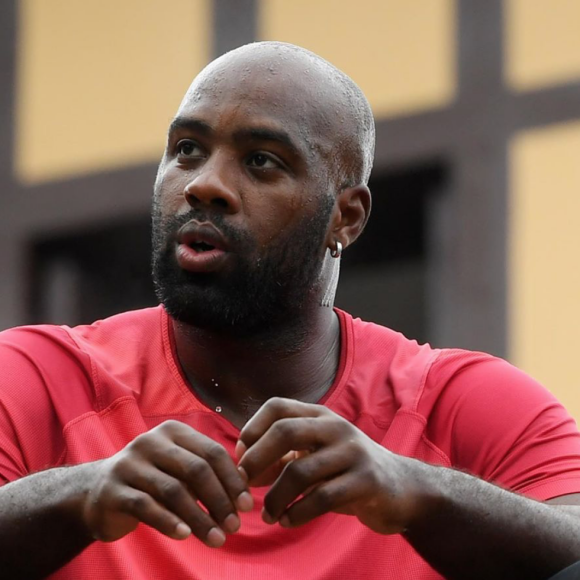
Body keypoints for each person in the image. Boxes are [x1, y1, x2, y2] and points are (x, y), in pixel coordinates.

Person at [1, 41, 580, 580]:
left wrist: (420, 490)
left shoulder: (457, 403)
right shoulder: (37, 379)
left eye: (261, 162)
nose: (205, 184)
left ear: (346, 218)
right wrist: (77, 494)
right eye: (187, 149)